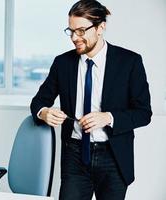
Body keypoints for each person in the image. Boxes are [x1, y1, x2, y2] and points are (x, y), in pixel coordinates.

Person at [30, 1, 152, 200]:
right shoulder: (62, 63)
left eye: (80, 31)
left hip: (113, 157)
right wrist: (44, 112)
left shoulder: (130, 62)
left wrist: (108, 117)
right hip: (75, 156)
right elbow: (38, 102)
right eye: (70, 31)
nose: (74, 38)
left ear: (100, 28)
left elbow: (143, 113)